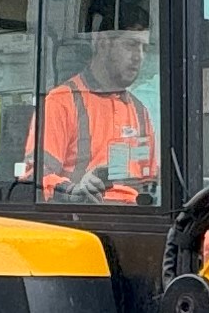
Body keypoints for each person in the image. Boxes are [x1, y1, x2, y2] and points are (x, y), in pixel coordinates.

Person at [39, 24, 157, 202]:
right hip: (84, 213)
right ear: (102, 43)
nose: (138, 56)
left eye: (144, 48)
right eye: (131, 45)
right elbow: (37, 176)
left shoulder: (139, 110)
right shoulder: (61, 101)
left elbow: (151, 179)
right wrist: (75, 191)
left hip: (135, 214)